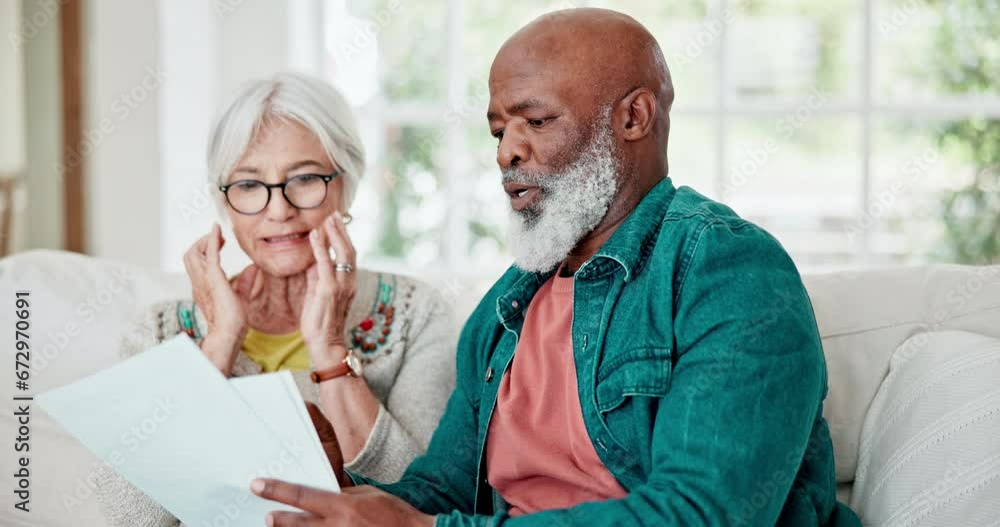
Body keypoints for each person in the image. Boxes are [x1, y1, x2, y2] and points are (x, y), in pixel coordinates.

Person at [250, 8, 863, 526]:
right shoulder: (505, 309)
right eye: (498, 131)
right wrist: (337, 497)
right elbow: (440, 495)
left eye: (536, 121)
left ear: (634, 117)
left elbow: (704, 513)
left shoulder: (727, 270)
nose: (508, 151)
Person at [93, 72, 458, 527]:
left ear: (347, 184)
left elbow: (426, 507)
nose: (279, 208)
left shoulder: (415, 314)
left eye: (304, 179)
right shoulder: (157, 332)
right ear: (224, 203)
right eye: (248, 185)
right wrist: (217, 348)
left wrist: (329, 349)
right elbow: (128, 520)